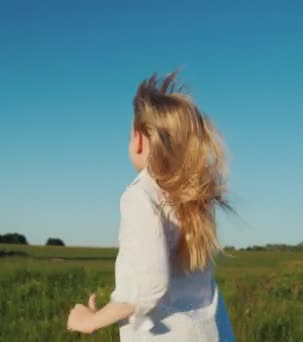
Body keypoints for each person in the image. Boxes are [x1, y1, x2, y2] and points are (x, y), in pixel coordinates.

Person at [67, 70, 235, 341]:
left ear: (139, 138)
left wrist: (91, 320)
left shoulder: (141, 195)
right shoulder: (195, 199)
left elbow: (149, 287)